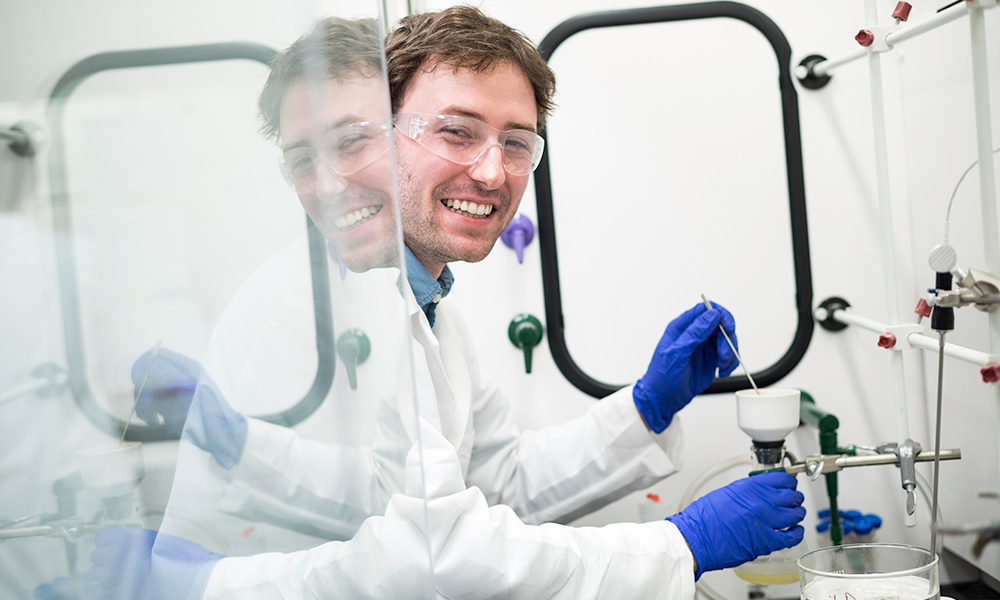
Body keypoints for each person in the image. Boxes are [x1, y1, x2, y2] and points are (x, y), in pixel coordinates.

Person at [68, 9, 806, 600]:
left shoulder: (423, 298)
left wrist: (644, 406)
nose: (489, 169)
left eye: (517, 142)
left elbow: (495, 483)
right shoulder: (308, 308)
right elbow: (432, 556)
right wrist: (682, 543)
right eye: (453, 130)